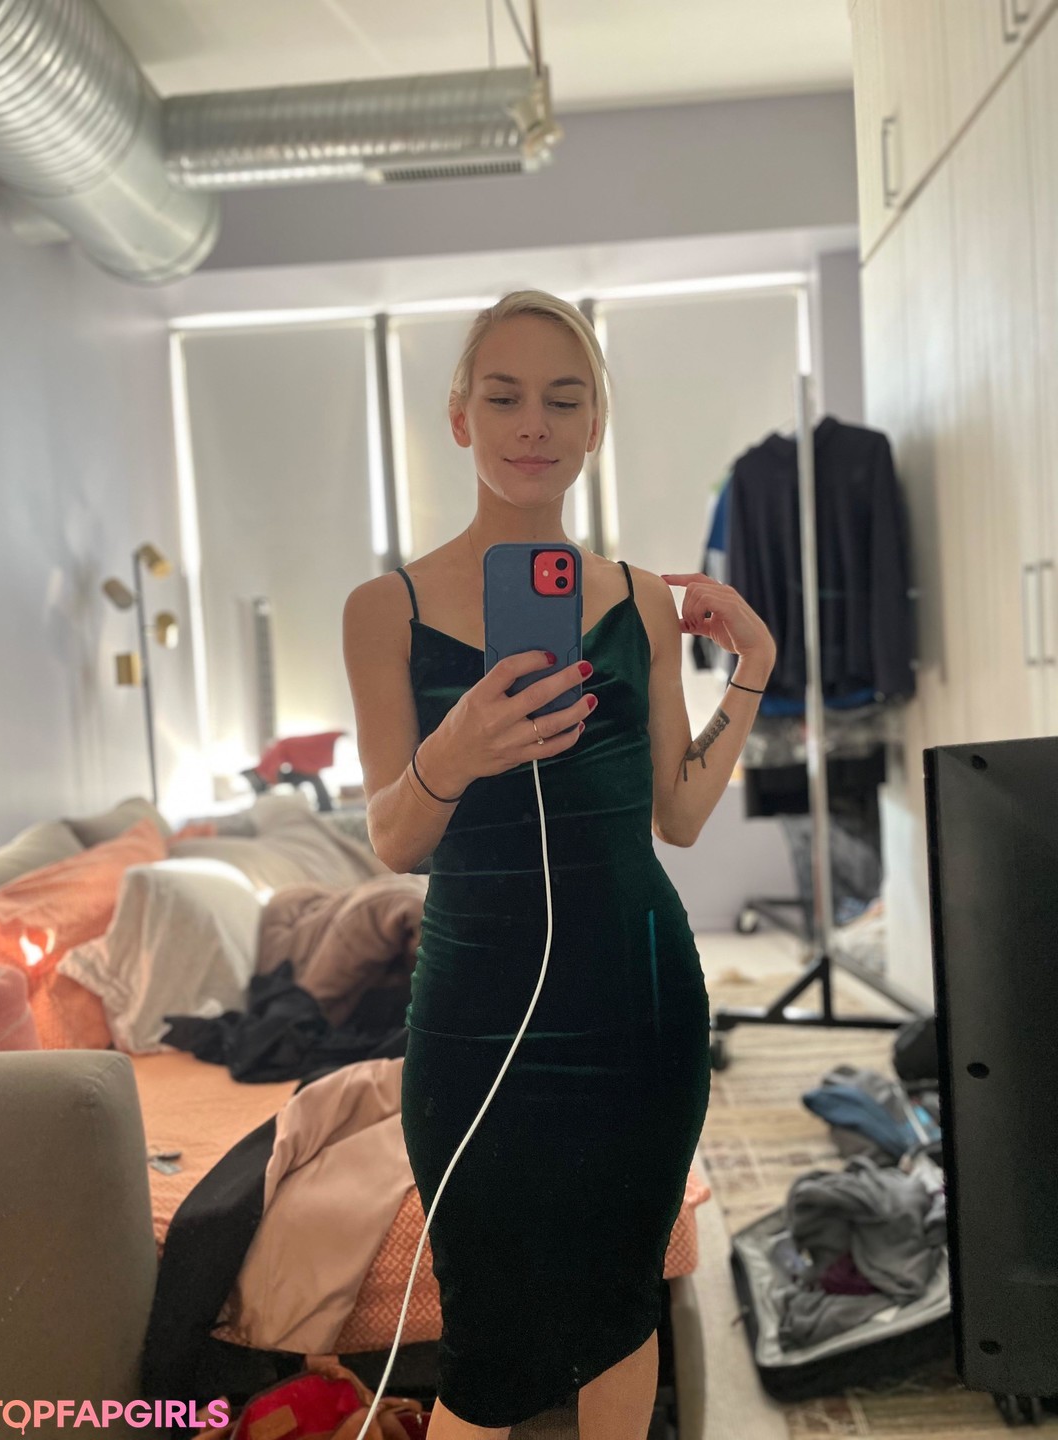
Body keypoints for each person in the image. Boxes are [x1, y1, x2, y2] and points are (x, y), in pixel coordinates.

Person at [342, 291, 776, 1440]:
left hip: (639, 1001)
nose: (533, 422)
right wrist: (454, 753)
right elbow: (394, 841)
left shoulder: (639, 602)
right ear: (460, 418)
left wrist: (753, 669)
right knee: (486, 1342)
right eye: (504, 397)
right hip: (473, 1015)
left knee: (621, 1312)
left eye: (563, 399)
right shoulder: (382, 610)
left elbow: (679, 816)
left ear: (594, 426)